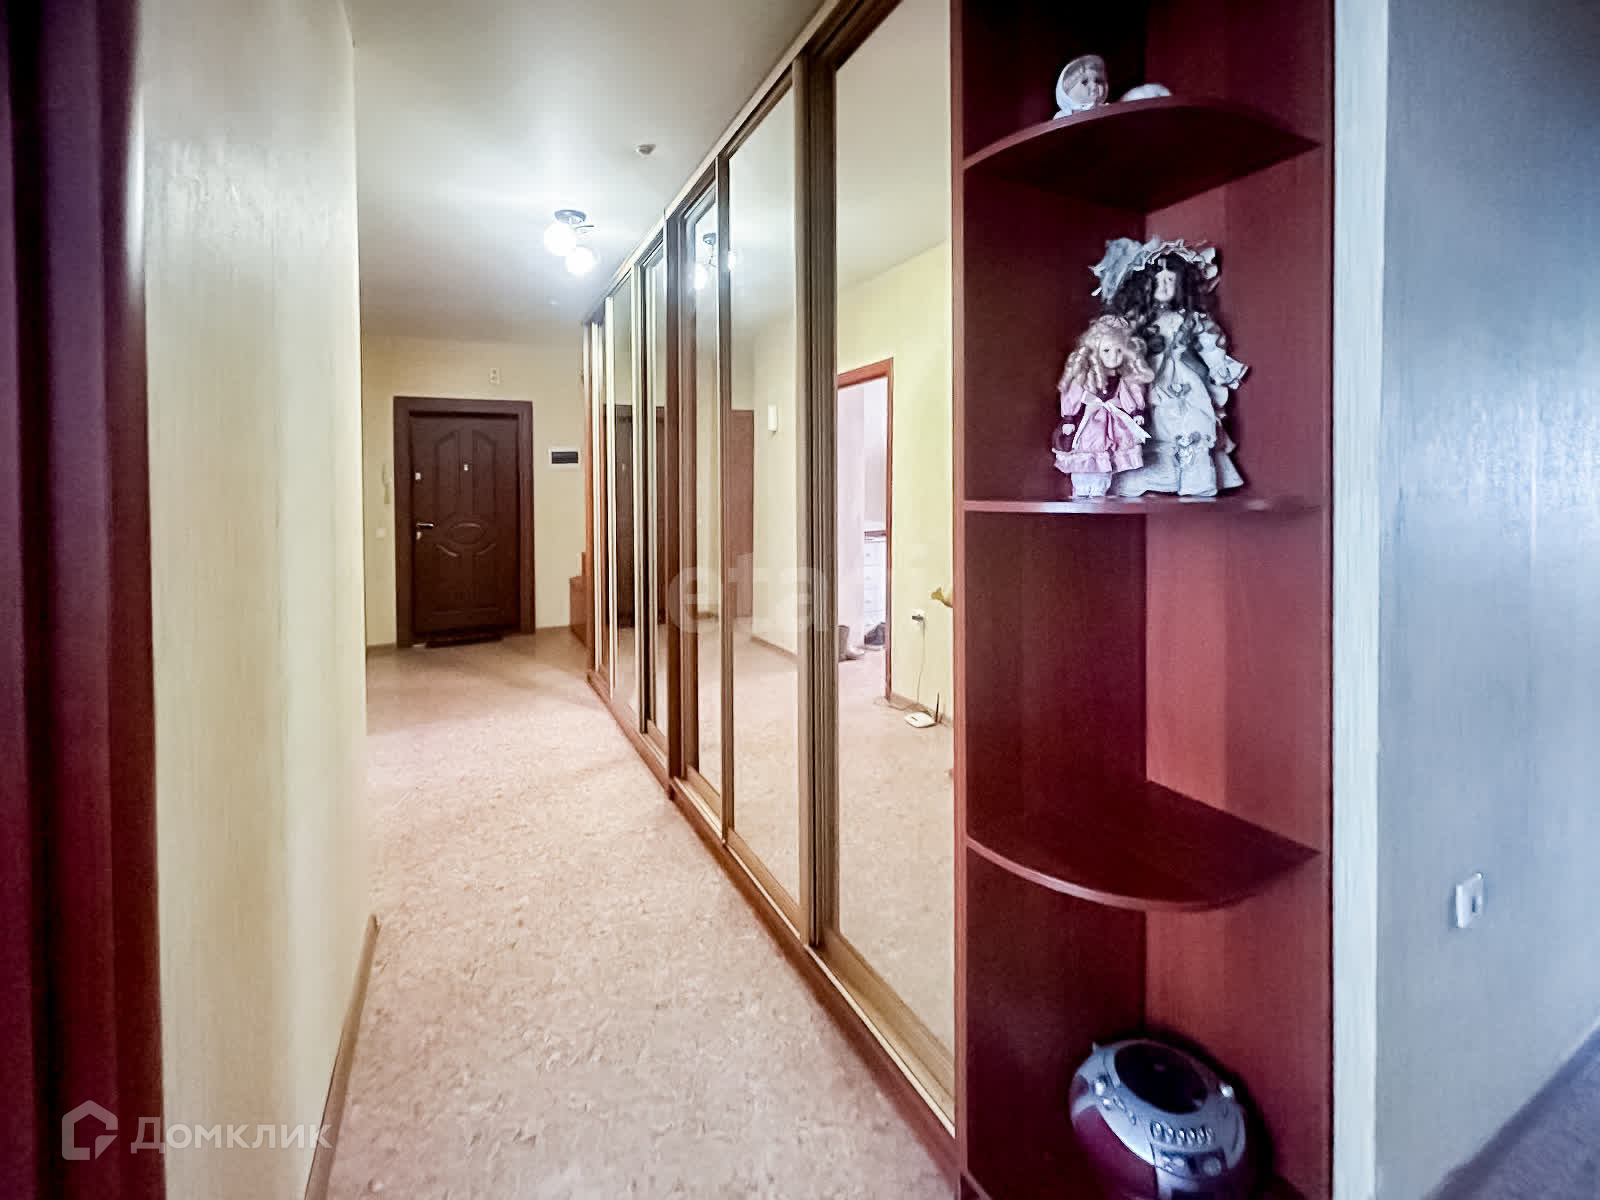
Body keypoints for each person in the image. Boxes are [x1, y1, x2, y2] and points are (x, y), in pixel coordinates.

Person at [1092, 238, 1247, 497]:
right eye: (1158, 280)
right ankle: (1150, 476)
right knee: (1150, 426)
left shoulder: (1190, 318)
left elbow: (1209, 344)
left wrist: (1219, 366)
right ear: (1145, 284)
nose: (1164, 285)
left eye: (1170, 279)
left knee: (1193, 423)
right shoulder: (1137, 319)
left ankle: (1195, 479)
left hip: (1184, 381)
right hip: (1147, 379)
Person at [1052, 315, 1153, 498]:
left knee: (1108, 454)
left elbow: (1128, 394)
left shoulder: (1123, 377)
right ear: (1095, 349)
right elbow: (1073, 394)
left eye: (1118, 351)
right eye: (1106, 350)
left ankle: (1100, 489)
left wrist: (1135, 411)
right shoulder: (1087, 374)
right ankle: (1081, 488)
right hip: (1091, 419)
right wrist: (1069, 417)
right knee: (1088, 449)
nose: (1113, 356)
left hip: (1112, 421)